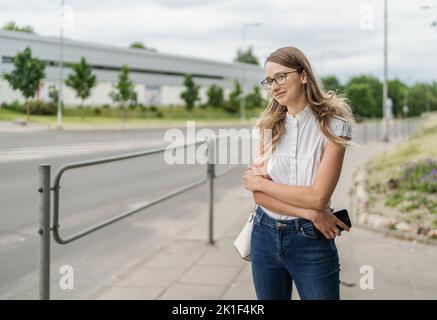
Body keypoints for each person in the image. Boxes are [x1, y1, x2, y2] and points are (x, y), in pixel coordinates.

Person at [243, 46, 354, 300]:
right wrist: (311, 214)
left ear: (303, 75)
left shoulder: (334, 127)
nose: (274, 86)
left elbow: (317, 197)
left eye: (281, 77)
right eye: (269, 81)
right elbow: (258, 199)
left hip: (311, 242)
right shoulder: (266, 127)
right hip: (264, 233)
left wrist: (257, 183)